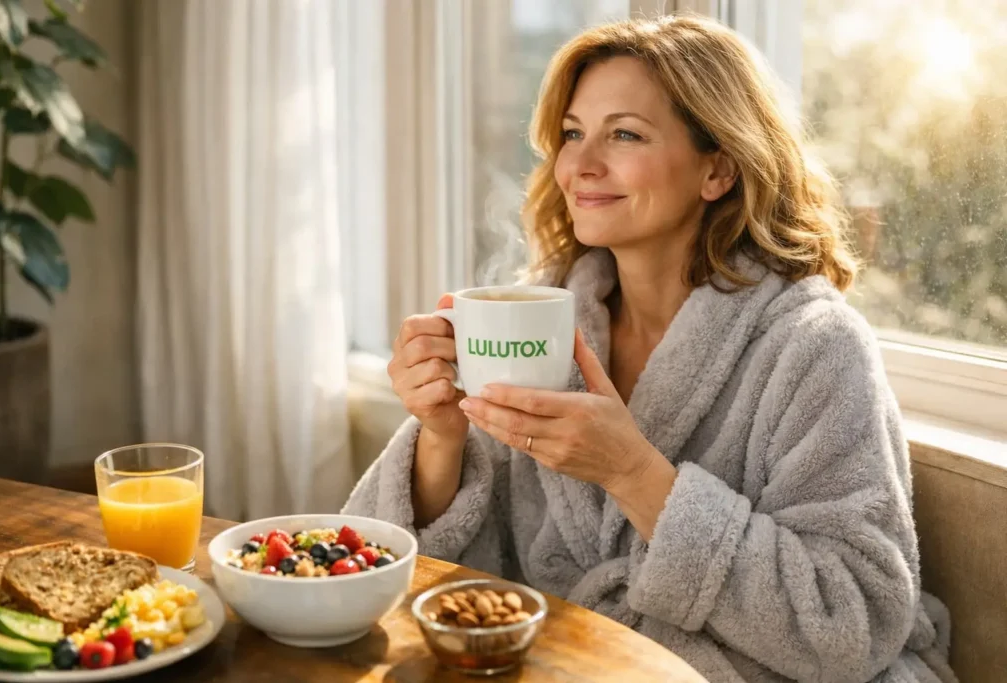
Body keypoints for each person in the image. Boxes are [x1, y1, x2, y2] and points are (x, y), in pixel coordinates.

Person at [344, 14, 955, 683]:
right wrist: (440, 434)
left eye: (624, 134)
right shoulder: (541, 316)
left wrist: (634, 472)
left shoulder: (814, 346)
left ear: (717, 168)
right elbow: (392, 562)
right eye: (573, 133)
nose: (579, 164)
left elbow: (853, 620)